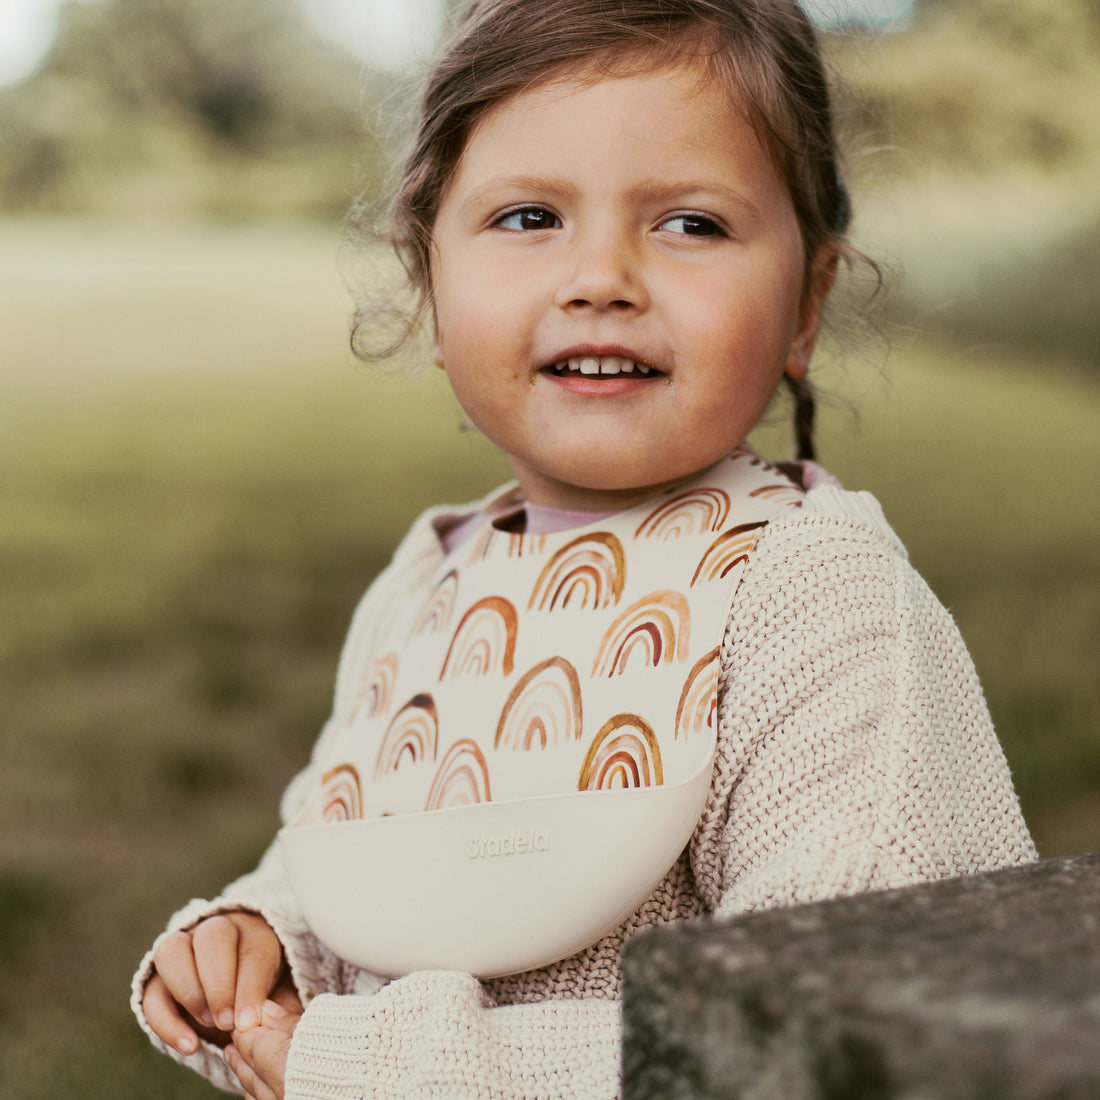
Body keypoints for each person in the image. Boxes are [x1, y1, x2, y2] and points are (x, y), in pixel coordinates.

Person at [132, 1, 1036, 1097]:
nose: (600, 275)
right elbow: (356, 841)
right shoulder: (426, 585)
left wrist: (362, 1062)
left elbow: (833, 1035)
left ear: (805, 304)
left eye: (690, 223)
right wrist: (267, 935)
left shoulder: (811, 597)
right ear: (429, 285)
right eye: (526, 217)